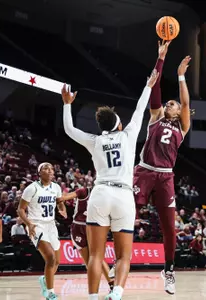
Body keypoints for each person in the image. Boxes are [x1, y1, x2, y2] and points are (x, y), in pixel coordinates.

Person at [62, 68, 159, 300]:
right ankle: (116, 295)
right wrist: (149, 85)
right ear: (118, 124)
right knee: (123, 256)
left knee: (95, 255)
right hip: (123, 196)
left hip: (100, 193)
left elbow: (69, 129)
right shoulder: (128, 135)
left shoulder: (95, 141)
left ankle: (94, 297)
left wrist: (67, 104)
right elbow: (139, 109)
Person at [133, 40, 192, 294]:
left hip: (165, 177)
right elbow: (154, 88)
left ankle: (168, 270)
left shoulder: (182, 126)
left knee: (170, 227)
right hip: (144, 171)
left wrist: (180, 77)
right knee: (128, 215)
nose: (169, 104)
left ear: (179, 112)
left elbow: (187, 104)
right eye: (168, 103)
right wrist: (161, 58)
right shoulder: (156, 117)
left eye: (173, 104)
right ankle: (116, 262)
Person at [17, 162, 66, 300]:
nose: (50, 170)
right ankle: (50, 292)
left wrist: (62, 209)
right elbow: (20, 209)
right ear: (39, 173)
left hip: (51, 224)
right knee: (50, 257)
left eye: (51, 168)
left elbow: (59, 201)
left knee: (57, 261)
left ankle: (45, 280)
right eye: (46, 168)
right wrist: (29, 224)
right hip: (36, 224)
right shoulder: (31, 188)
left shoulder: (56, 187)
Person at [58, 188, 115, 290]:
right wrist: (60, 199)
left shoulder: (106, 197)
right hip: (79, 227)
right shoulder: (85, 191)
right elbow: (65, 197)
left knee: (97, 259)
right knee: (89, 262)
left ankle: (112, 285)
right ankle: (95, 289)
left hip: (94, 227)